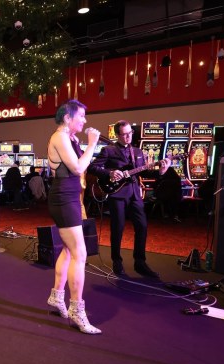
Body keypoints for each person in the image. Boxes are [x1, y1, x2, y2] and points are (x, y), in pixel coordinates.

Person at [88, 119, 170, 279]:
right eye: (124, 134)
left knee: (142, 226)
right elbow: (92, 167)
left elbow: (143, 172)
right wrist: (110, 173)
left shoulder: (138, 152)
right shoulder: (109, 150)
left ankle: (140, 262)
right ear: (117, 135)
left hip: (134, 194)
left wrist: (161, 171)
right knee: (117, 228)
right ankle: (116, 261)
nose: (127, 137)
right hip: (117, 194)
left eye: (130, 134)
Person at [46, 99, 101, 335]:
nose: (85, 120)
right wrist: (92, 144)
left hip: (70, 197)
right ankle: (77, 311)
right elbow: (78, 168)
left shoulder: (68, 137)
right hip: (63, 199)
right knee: (80, 253)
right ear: (68, 118)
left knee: (69, 251)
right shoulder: (59, 137)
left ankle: (56, 297)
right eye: (81, 116)